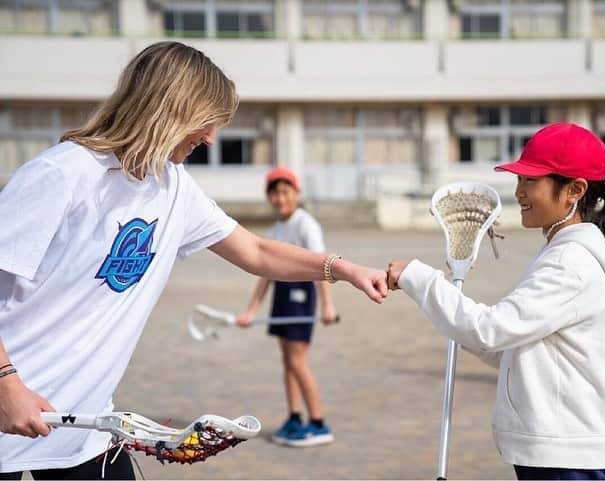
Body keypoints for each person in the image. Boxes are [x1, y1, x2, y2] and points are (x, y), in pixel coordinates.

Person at [0, 41, 387, 480]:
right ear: (168, 109)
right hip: (8, 418)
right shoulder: (61, 174)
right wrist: (7, 386)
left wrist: (343, 269)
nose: (210, 139)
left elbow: (255, 250)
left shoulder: (175, 187)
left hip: (85, 430)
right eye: (205, 123)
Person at [387, 122, 605, 480]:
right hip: (554, 451)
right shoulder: (559, 251)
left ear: (574, 190)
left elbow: (490, 331)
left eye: (531, 181)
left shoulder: (569, 263)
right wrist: (456, 324)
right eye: (520, 179)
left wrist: (418, 278)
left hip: (563, 457)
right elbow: (508, 346)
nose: (519, 191)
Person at [235, 167, 337, 447]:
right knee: (287, 360)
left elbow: (323, 266)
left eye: (285, 192)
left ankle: (318, 423)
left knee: (297, 360)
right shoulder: (274, 230)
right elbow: (265, 274)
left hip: (301, 296)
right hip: (281, 294)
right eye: (275, 193)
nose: (280, 198)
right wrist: (251, 310)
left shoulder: (306, 225)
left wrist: (328, 305)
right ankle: (294, 417)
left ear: (295, 193)